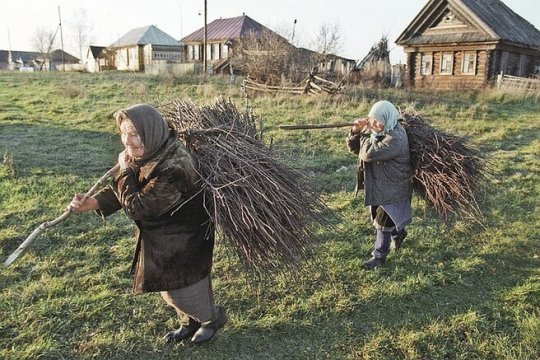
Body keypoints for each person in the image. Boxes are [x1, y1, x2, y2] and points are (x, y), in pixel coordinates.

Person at [69, 104, 227, 344]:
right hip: (163, 235)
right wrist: (95, 202)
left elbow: (137, 205)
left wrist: (123, 170)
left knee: (186, 288)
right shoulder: (151, 150)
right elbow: (134, 185)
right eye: (124, 133)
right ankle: (189, 322)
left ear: (151, 130)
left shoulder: (175, 165)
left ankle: (210, 319)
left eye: (134, 133)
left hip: (184, 237)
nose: (127, 142)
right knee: (169, 286)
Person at [347, 100, 413, 269]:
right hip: (379, 184)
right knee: (387, 218)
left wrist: (363, 132)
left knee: (382, 222)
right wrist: (355, 131)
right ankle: (399, 233)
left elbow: (367, 153)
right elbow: (356, 150)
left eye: (379, 120)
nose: (375, 124)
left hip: (394, 187)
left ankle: (379, 257)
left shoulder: (395, 138)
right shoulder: (379, 131)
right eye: (372, 119)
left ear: (388, 118)